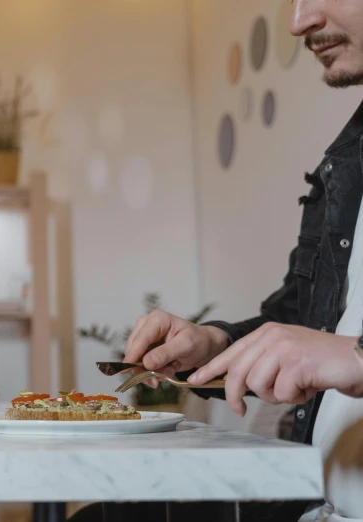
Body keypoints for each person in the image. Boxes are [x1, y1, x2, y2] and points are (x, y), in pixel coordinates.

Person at [117, 1, 363, 521]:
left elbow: (338, 349)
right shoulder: (346, 160)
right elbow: (302, 322)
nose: (299, 22)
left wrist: (357, 357)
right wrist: (212, 342)